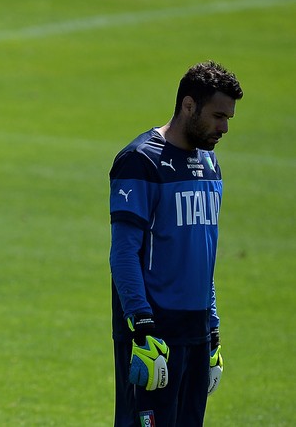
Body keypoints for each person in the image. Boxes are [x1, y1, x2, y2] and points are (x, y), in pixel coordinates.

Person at [109, 61, 243, 426]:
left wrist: (212, 330)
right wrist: (142, 327)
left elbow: (201, 254)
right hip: (154, 332)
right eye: (217, 116)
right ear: (188, 105)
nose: (225, 127)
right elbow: (123, 253)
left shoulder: (211, 164)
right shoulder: (140, 161)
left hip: (196, 332)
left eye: (228, 117)